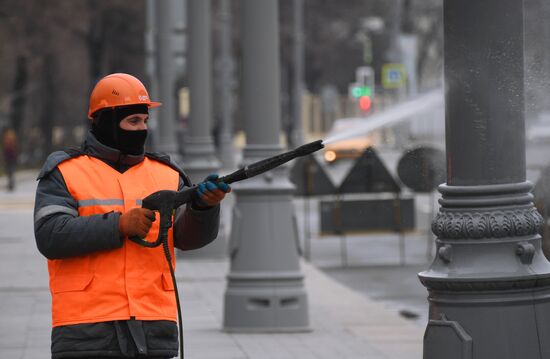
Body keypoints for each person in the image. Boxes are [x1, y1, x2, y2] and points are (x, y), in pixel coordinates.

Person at [34, 73, 231, 359]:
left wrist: (205, 208)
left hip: (153, 324)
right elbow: (50, 235)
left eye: (144, 121)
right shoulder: (65, 172)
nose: (141, 129)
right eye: (133, 122)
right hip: (85, 328)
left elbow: (187, 239)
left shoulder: (167, 173)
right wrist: (119, 225)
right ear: (105, 121)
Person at [2, 127, 18, 191]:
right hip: (10, 158)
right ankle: (11, 184)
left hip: (10, 158)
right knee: (10, 172)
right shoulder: (10, 139)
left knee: (10, 172)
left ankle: (11, 184)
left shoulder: (8, 140)